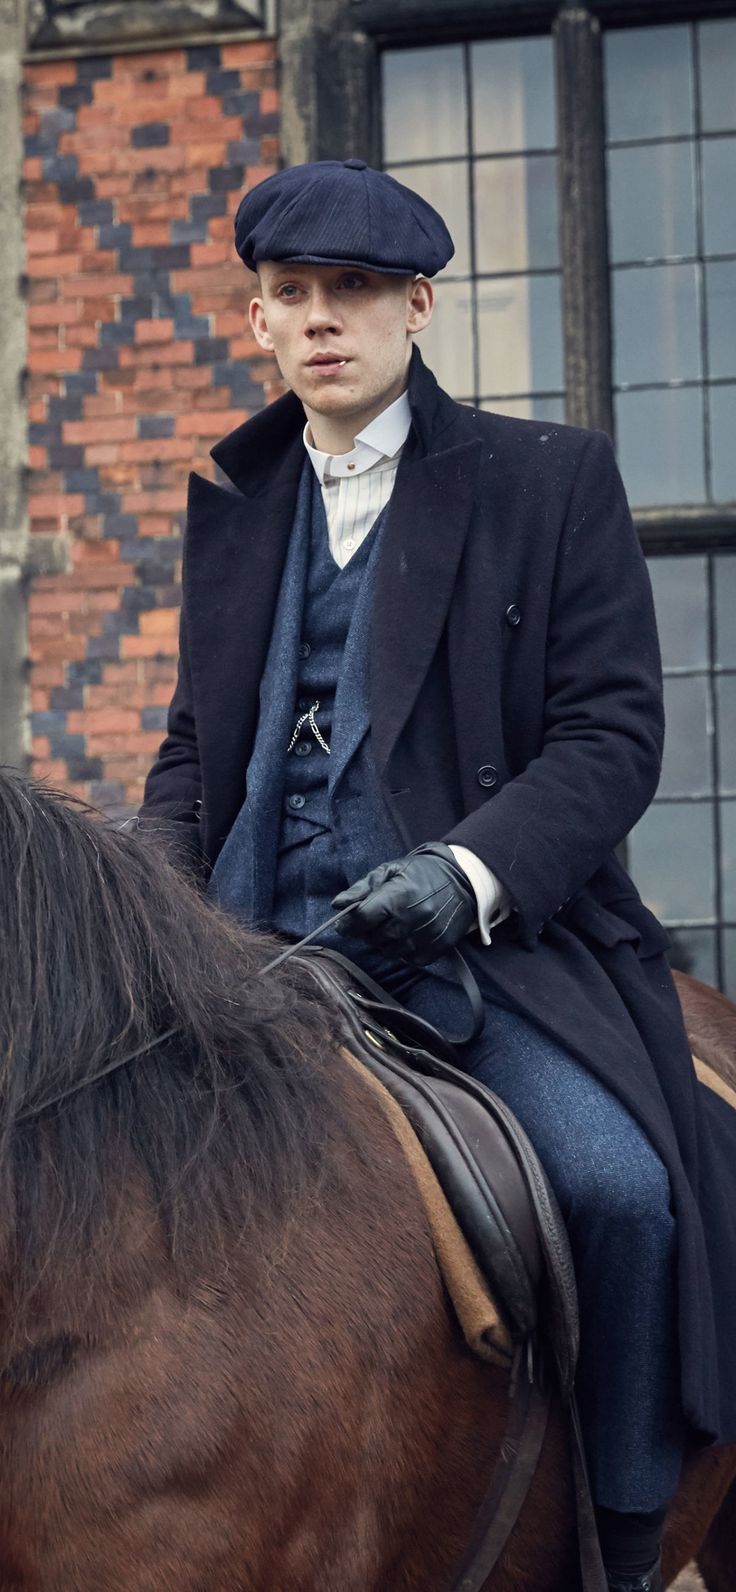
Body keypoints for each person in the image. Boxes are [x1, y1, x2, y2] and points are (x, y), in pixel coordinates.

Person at [140, 159, 736, 1592]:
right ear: (259, 322)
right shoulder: (230, 500)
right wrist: (153, 919)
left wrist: (465, 874)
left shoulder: (550, 479)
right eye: (294, 295)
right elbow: (187, 758)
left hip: (478, 951)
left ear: (416, 307)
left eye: (352, 291)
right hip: (246, 946)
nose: (322, 319)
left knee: (621, 1193)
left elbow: (611, 737)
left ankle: (628, 1541)